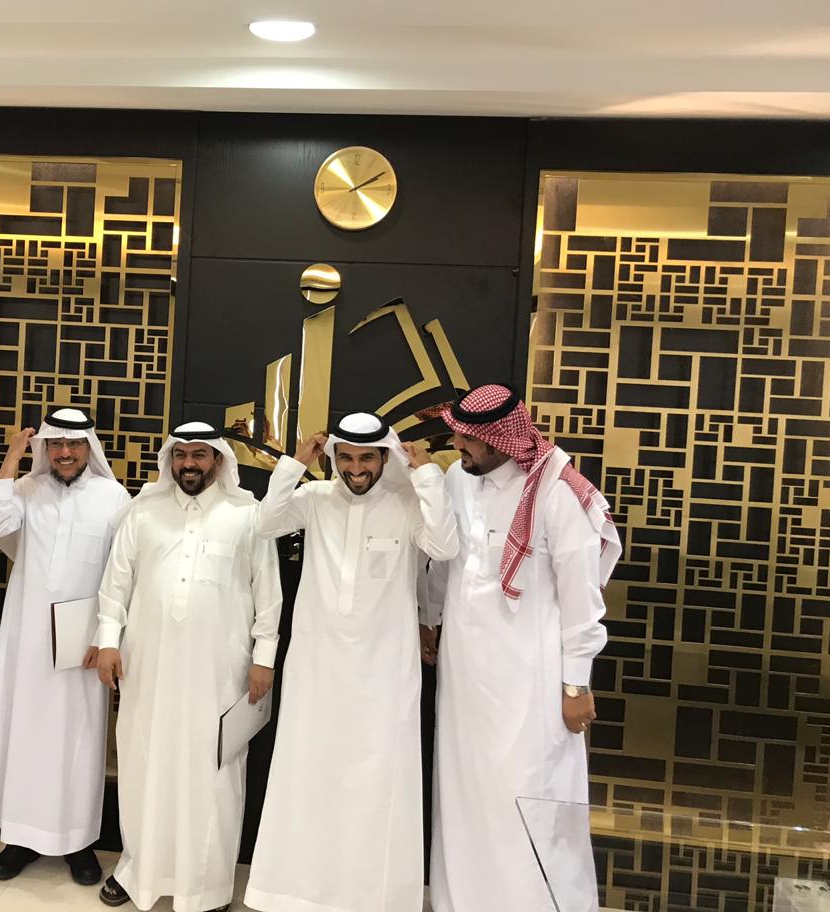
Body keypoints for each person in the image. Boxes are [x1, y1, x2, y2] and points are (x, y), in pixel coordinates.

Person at [244, 411, 458, 912]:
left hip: (384, 672)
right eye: (346, 458)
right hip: (317, 668)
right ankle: (296, 893)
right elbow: (265, 523)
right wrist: (295, 465)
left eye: (367, 459)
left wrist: (426, 474)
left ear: (385, 457)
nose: (356, 469)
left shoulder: (407, 504)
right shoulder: (316, 499)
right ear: (334, 457)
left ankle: (372, 898)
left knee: (376, 784)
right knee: (309, 775)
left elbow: (444, 545)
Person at [427, 384, 620, 912]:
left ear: (500, 440)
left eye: (467, 439)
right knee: (465, 793)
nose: (456, 446)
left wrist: (576, 683)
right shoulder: (459, 479)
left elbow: (582, 598)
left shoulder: (558, 493)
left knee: (531, 795)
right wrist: (429, 618)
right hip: (464, 677)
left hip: (530, 683)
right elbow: (448, 561)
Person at [95, 421, 282, 912]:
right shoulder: (144, 511)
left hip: (220, 672)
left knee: (214, 772)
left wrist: (264, 659)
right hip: (147, 668)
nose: (189, 464)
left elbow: (268, 594)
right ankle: (137, 871)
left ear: (218, 460)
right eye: (181, 455)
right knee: (144, 763)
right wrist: (108, 642)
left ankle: (208, 885)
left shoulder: (248, 514)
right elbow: (116, 584)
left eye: (200, 454)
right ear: (170, 460)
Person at [0, 408, 129, 885]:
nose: (65, 453)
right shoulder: (26, 489)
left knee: (80, 741)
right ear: (44, 448)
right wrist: (12, 459)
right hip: (28, 636)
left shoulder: (113, 497)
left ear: (89, 448)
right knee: (23, 731)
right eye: (55, 444)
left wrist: (105, 636)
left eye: (74, 444)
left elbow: (123, 572)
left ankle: (78, 842)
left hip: (83, 645)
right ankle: (20, 838)